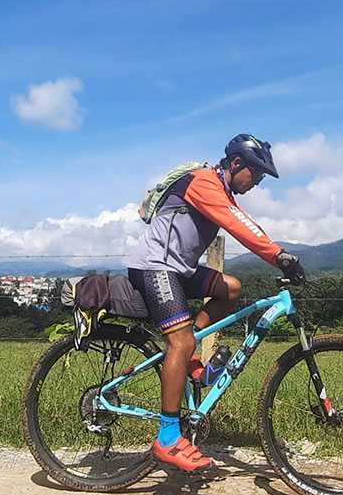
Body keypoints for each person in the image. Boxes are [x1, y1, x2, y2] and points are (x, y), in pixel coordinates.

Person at [128, 133, 305, 472]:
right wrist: (279, 256)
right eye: (255, 174)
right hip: (155, 268)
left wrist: (277, 255)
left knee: (232, 289)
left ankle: (186, 354)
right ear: (236, 163)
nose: (257, 182)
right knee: (178, 340)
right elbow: (239, 225)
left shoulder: (220, 190)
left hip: (178, 270)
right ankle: (167, 437)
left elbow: (241, 221)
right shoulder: (203, 182)